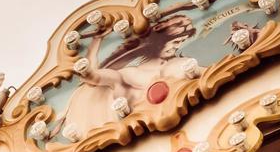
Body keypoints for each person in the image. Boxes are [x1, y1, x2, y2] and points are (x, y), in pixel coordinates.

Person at [57, 13, 199, 140]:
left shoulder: (183, 63)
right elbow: (93, 77)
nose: (177, 47)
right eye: (175, 42)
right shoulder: (129, 74)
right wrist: (96, 40)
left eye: (181, 42)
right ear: (161, 40)